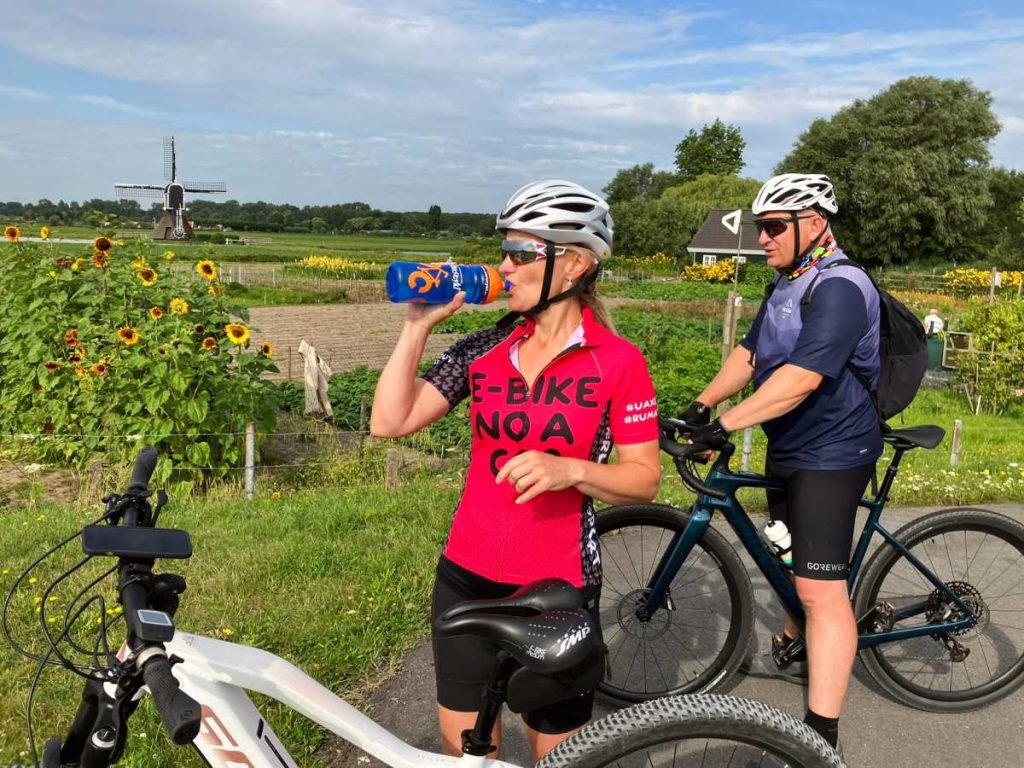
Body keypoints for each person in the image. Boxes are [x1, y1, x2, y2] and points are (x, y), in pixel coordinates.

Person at [370, 180, 661, 761]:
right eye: (504, 251)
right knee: (467, 757)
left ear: (575, 264)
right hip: (465, 577)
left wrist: (570, 470)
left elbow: (643, 478)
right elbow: (390, 421)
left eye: (521, 253)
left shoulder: (618, 362)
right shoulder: (483, 348)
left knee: (561, 757)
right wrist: (417, 326)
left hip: (558, 588)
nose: (505, 266)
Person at [683, 173, 880, 753]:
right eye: (759, 227)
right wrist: (701, 405)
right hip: (791, 445)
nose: (762, 238)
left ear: (814, 224)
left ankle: (821, 742)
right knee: (790, 556)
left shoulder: (840, 286)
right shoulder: (786, 282)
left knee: (821, 591)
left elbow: (802, 378)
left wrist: (724, 426)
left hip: (835, 451)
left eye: (773, 227)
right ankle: (799, 639)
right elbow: (751, 355)